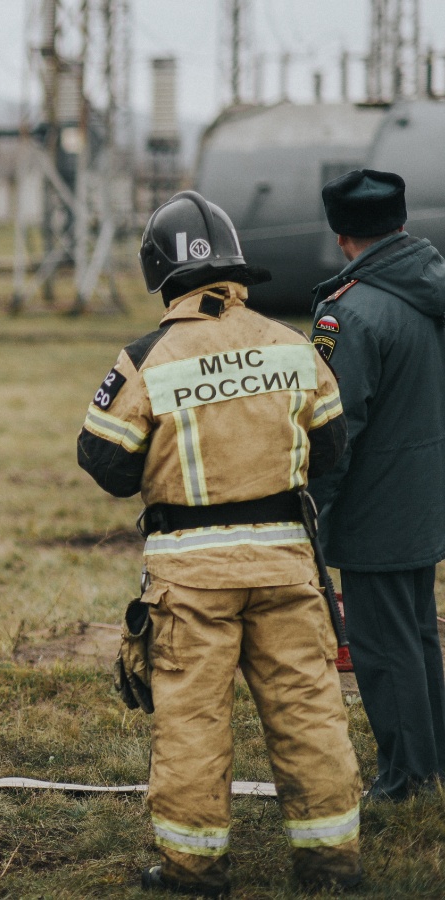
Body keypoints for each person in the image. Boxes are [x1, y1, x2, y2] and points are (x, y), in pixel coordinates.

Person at [79, 190, 362, 895]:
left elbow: (106, 464)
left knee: (193, 721)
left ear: (163, 277)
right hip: (287, 565)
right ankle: (331, 863)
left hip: (190, 575)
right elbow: (330, 449)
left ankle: (194, 869)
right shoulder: (294, 347)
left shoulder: (148, 357)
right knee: (308, 710)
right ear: (235, 274)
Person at [309, 169, 445, 802]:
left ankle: (406, 777)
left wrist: (312, 504)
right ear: (399, 222)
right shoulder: (429, 288)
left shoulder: (351, 314)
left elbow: (334, 429)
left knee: (381, 646)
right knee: (415, 634)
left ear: (342, 235)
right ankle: (430, 758)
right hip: (423, 495)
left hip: (376, 506)